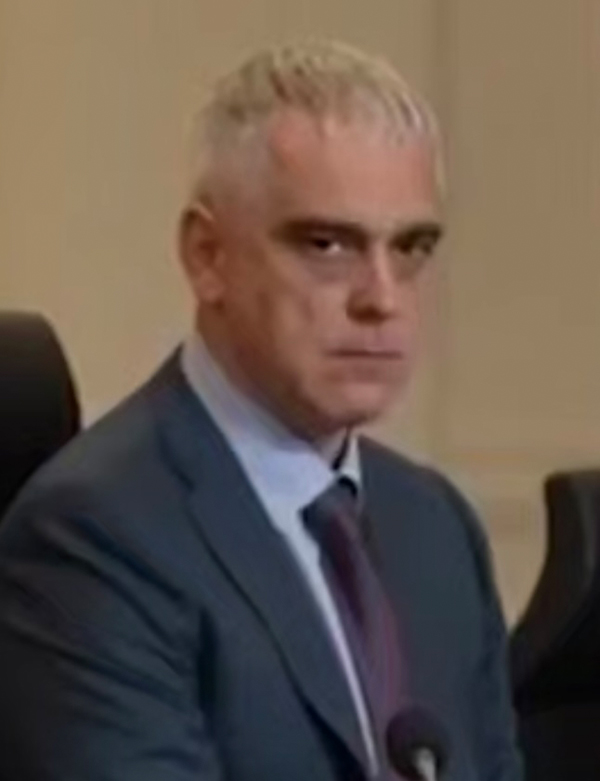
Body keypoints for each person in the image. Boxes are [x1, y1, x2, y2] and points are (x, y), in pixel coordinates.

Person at [0, 41, 522, 780]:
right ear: (207, 256)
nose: (382, 298)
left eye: (411, 247)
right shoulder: (94, 537)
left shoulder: (436, 525)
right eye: (327, 244)